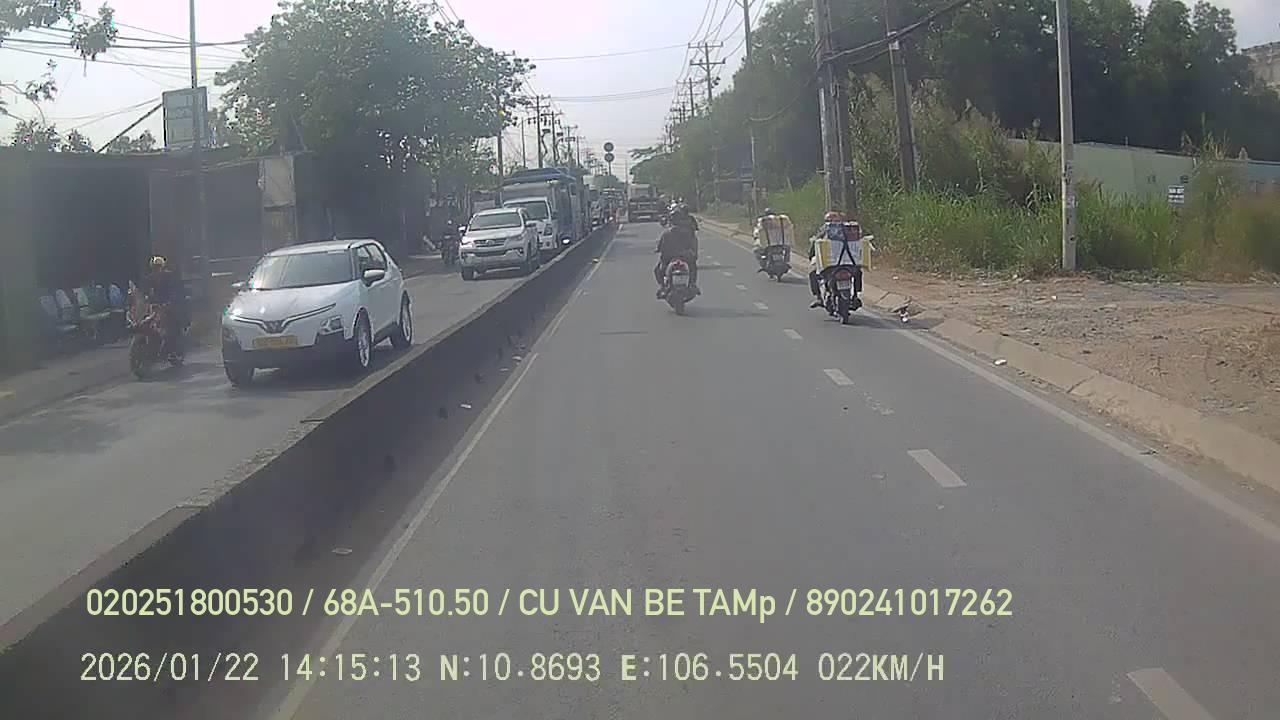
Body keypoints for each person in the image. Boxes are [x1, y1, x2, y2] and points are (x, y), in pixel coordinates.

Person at [655, 208, 700, 298]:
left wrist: (659, 250)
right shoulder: (688, 232)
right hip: (685, 256)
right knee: (693, 267)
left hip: (670, 257)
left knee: (658, 270)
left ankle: (662, 287)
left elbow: (660, 246)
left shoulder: (666, 233)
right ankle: (692, 284)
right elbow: (693, 245)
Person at [145, 255, 184, 356]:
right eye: (154, 267)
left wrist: (169, 302)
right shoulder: (149, 278)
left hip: (169, 304)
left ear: (162, 267)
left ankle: (172, 346)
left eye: (158, 267)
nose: (156, 269)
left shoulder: (169, 277)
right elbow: (145, 291)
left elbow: (175, 290)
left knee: (171, 323)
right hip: (156, 305)